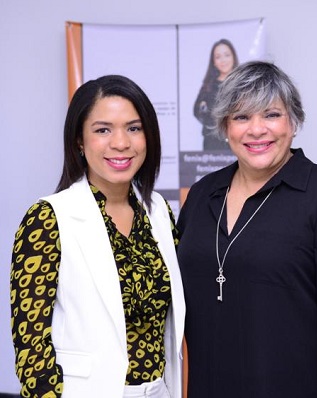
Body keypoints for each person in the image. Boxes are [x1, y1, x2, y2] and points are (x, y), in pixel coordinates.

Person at [177, 61, 317, 398]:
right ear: (225, 127)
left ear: (294, 122)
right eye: (241, 117)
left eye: (271, 114)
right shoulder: (201, 195)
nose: (257, 130)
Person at [9, 75, 186, 398]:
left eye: (133, 128)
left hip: (159, 391)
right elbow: (31, 346)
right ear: (79, 140)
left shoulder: (159, 211)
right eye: (103, 129)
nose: (121, 143)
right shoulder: (48, 217)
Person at [193, 38, 239, 151]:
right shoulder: (208, 85)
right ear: (213, 61)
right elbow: (197, 111)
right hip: (212, 142)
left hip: (238, 140)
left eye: (227, 55)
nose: (223, 60)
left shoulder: (243, 84)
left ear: (233, 56)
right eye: (218, 57)